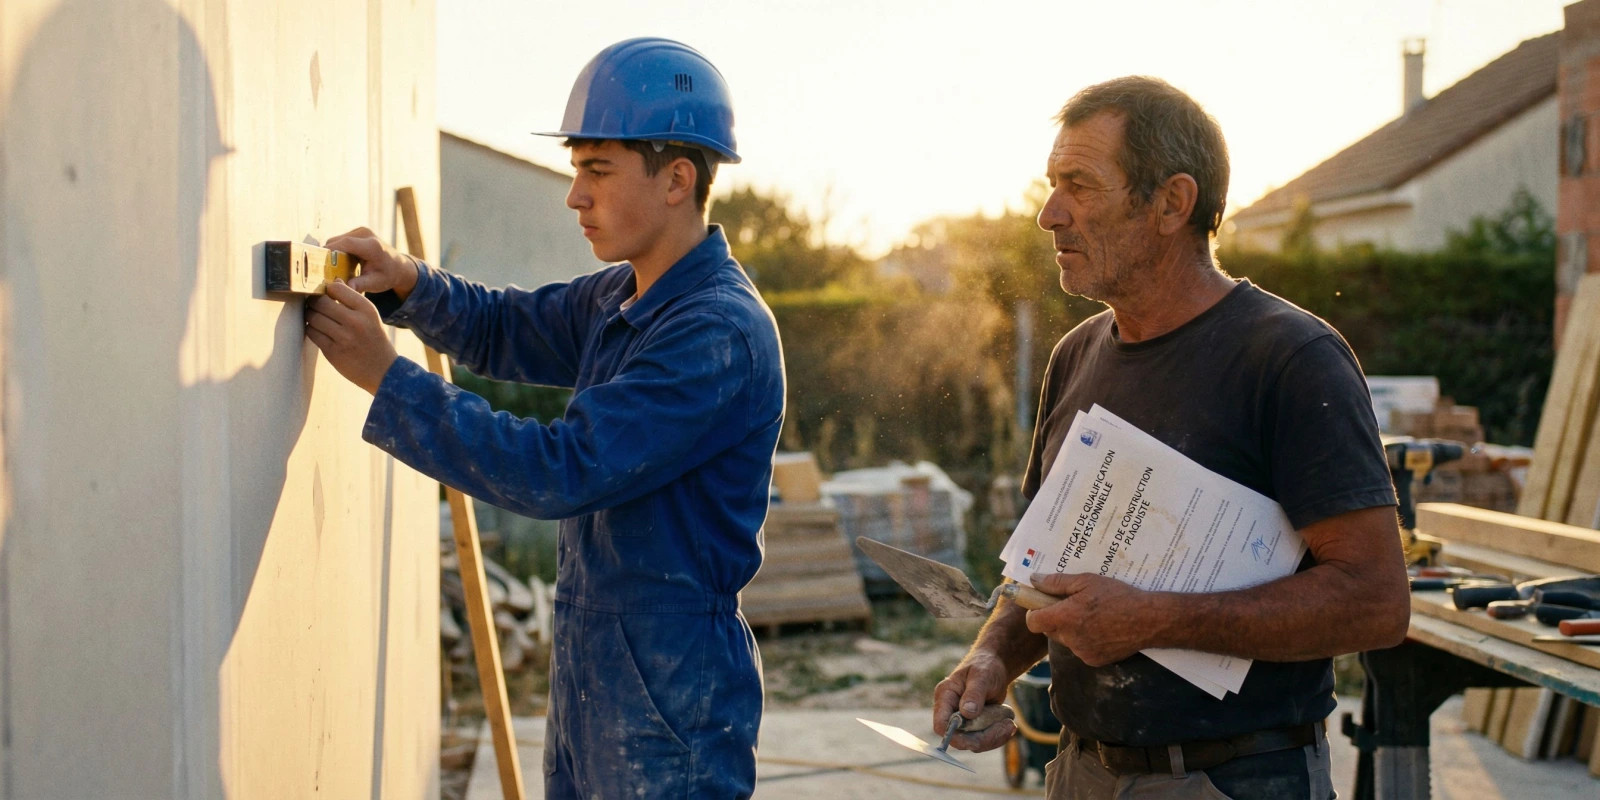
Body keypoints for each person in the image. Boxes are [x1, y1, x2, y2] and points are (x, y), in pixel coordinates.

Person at [302, 38, 783, 799]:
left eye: (598, 170)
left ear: (677, 180)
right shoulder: (624, 294)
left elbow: (559, 470)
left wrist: (387, 380)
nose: (575, 196)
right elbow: (504, 327)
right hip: (604, 673)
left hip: (670, 694)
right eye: (576, 170)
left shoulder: (714, 332)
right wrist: (407, 283)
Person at [932, 76, 1409, 799]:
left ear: (1171, 203)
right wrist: (992, 656)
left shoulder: (1289, 358)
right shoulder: (1075, 357)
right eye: (1052, 185)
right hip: (1081, 770)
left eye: (1079, 185)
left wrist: (1153, 620)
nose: (1049, 214)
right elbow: (1040, 575)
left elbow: (1376, 603)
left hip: (1233, 777)